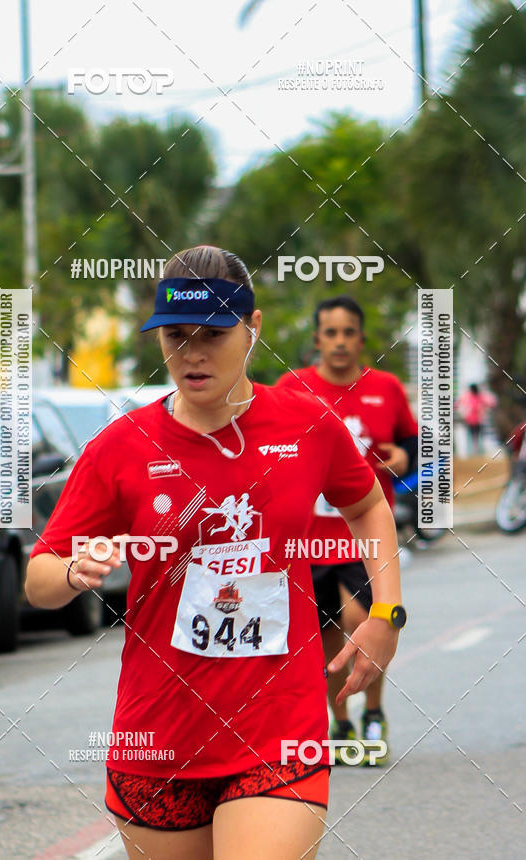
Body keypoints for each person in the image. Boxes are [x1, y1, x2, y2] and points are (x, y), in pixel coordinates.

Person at [25, 248, 406, 860]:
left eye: (214, 334)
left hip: (280, 727)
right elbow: (38, 581)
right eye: (175, 337)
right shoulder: (121, 446)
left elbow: (366, 507)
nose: (192, 354)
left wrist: (386, 614)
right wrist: (73, 570)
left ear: (252, 329)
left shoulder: (308, 425)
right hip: (159, 736)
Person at [277, 295, 418, 765]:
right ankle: (340, 721)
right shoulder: (292, 387)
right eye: (330, 333)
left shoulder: (387, 389)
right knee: (324, 638)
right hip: (306, 538)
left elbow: (410, 449)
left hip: (363, 535)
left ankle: (374, 712)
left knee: (367, 618)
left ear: (361, 339)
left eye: (348, 333)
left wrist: (400, 460)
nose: (339, 342)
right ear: (317, 339)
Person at [456, 383, 497, 455]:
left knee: (476, 437)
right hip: (471, 420)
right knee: (473, 437)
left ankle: (476, 452)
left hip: (477, 420)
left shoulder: (479, 396)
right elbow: (458, 404)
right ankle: (473, 452)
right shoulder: (469, 396)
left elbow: (491, 403)